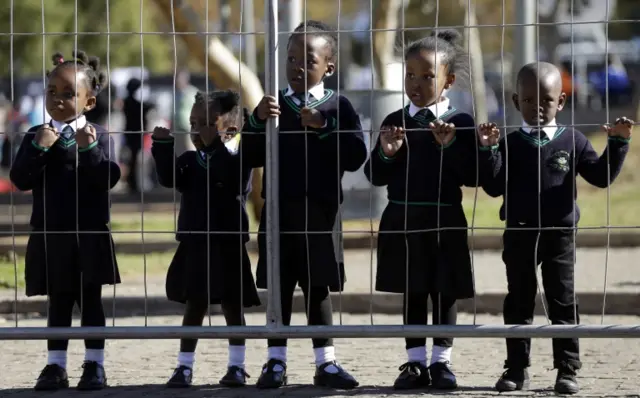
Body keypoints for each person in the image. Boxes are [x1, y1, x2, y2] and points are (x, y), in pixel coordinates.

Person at [479, 61, 633, 395]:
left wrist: (618, 144)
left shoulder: (574, 140)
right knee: (518, 300)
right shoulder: (510, 142)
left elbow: (600, 177)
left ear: (560, 102)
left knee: (562, 300)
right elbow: (492, 186)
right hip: (519, 234)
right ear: (516, 101)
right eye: (529, 100)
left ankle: (567, 369)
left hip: (560, 235)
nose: (538, 107)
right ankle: (516, 368)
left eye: (546, 101)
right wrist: (488, 149)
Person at [364, 29, 493, 391]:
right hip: (403, 219)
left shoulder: (461, 122)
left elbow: (474, 177)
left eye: (426, 76)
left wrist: (450, 145)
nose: (415, 84)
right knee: (413, 289)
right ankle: (414, 362)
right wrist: (387, 151)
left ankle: (442, 363)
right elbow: (374, 175)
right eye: (409, 75)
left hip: (444, 218)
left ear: (448, 80)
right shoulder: (395, 118)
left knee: (444, 290)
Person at [244, 20, 367, 390]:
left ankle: (325, 363)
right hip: (279, 212)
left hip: (322, 213)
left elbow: (356, 155)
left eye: (308, 59)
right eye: (292, 58)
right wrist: (256, 121)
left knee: (318, 288)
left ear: (328, 67)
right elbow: (247, 156)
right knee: (279, 288)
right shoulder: (272, 106)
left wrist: (324, 125)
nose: (298, 66)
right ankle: (275, 362)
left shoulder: (338, 106)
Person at [9, 50, 121, 391]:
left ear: (88, 102)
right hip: (51, 234)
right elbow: (20, 178)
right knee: (58, 300)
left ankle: (94, 365)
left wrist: (90, 152)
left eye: (68, 93)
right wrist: (39, 149)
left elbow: (108, 178)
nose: (57, 99)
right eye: (52, 91)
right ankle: (55, 366)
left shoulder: (98, 135)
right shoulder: (36, 135)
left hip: (88, 234)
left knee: (91, 301)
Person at [151, 89, 262, 388]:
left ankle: (236, 366)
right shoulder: (189, 159)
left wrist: (216, 148)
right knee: (195, 305)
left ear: (230, 130)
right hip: (195, 243)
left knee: (232, 305)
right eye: (193, 122)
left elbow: (234, 179)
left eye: (207, 123)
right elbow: (169, 179)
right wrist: (162, 146)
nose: (198, 130)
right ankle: (184, 367)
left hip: (227, 244)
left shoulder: (239, 160)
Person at [123, 77, 154, 193]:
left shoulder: (129, 101)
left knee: (134, 158)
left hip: (134, 133)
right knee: (133, 158)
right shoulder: (129, 102)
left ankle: (133, 182)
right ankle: (132, 183)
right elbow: (142, 108)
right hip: (133, 133)